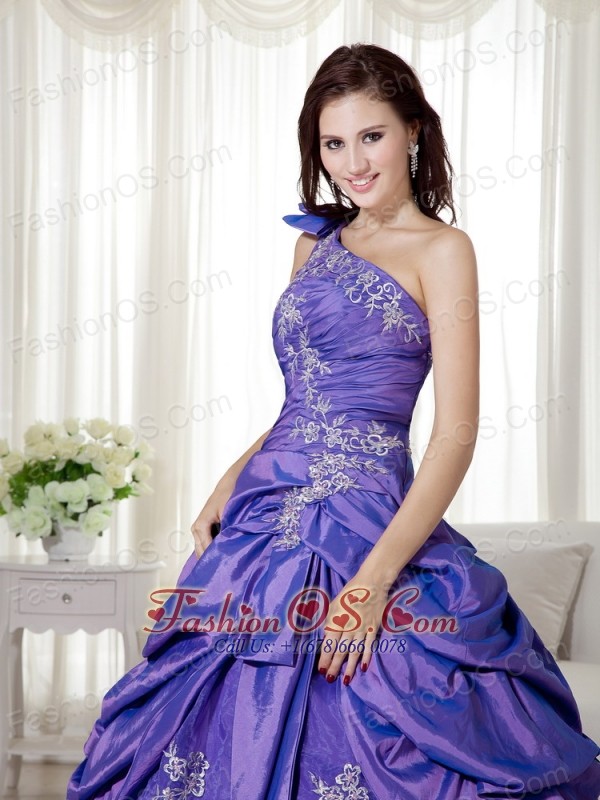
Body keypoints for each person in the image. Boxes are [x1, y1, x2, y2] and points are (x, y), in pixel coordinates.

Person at [67, 42, 600, 800]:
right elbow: (302, 398)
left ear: (413, 130)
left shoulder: (443, 249)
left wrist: (374, 582)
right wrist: (229, 478)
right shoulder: (312, 244)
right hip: (264, 507)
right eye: (333, 143)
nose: (353, 162)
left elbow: (455, 431)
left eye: (371, 136)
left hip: (365, 513)